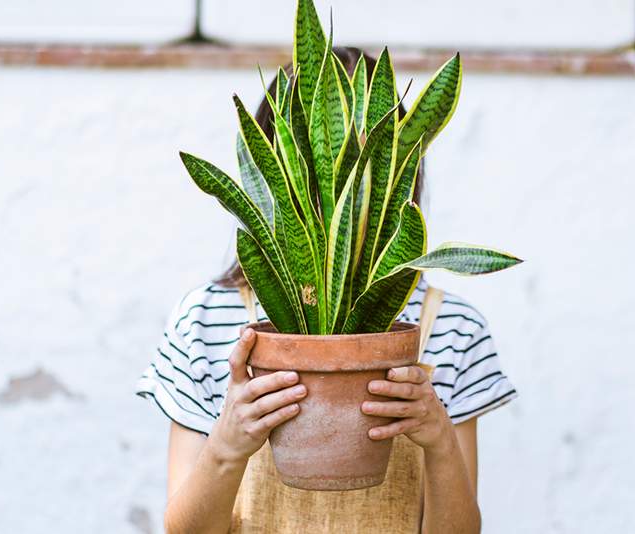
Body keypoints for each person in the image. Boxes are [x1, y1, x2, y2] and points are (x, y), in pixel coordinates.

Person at [136, 47, 518, 534]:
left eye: (362, 170)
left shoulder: (451, 328)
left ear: (397, 179)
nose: (339, 193)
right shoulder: (205, 320)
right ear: (270, 172)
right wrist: (226, 446)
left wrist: (439, 439)